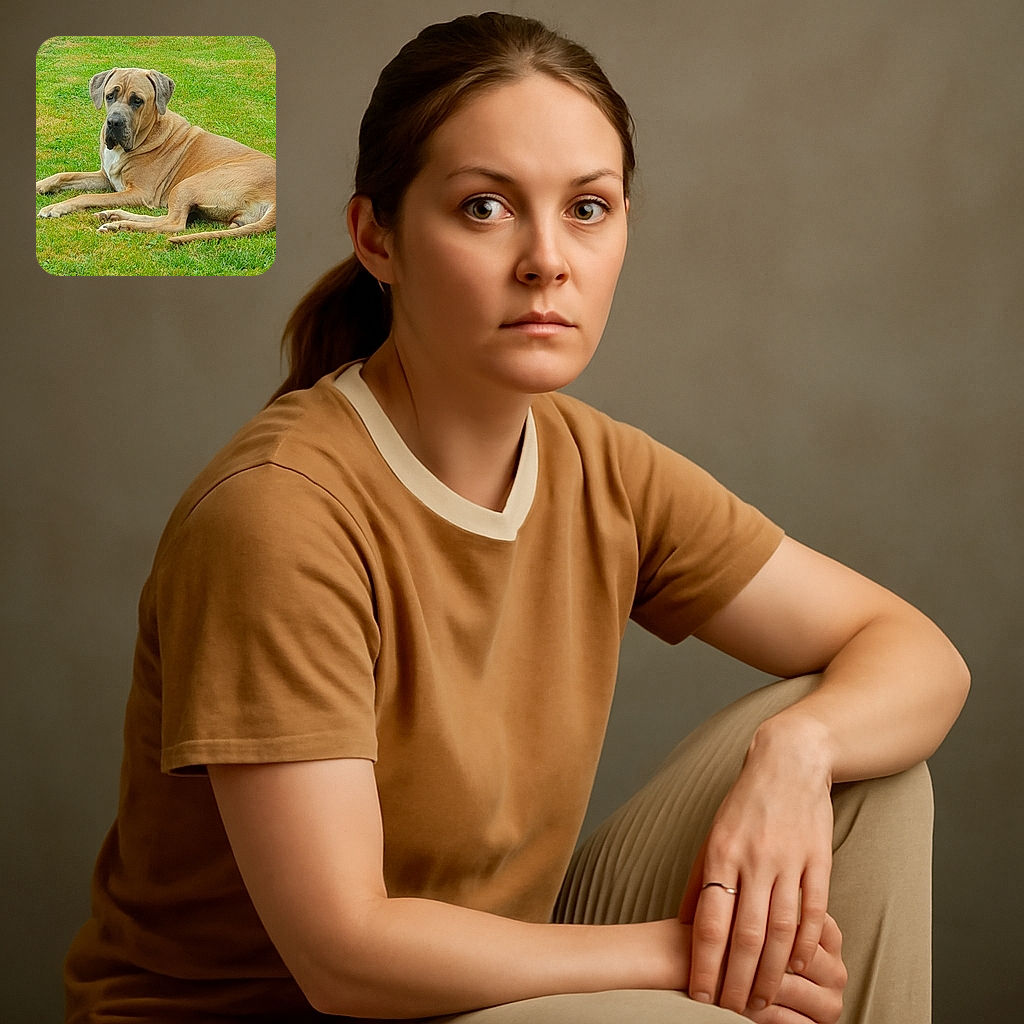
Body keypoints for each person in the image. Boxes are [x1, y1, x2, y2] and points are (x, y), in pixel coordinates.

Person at [64, 12, 969, 1024]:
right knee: (697, 1015)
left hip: (485, 983)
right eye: (485, 207)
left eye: (587, 207)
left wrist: (794, 759)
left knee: (863, 771)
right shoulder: (280, 514)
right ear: (377, 237)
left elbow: (915, 651)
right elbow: (346, 956)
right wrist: (684, 956)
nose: (548, 260)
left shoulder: (602, 468)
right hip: (313, 1006)